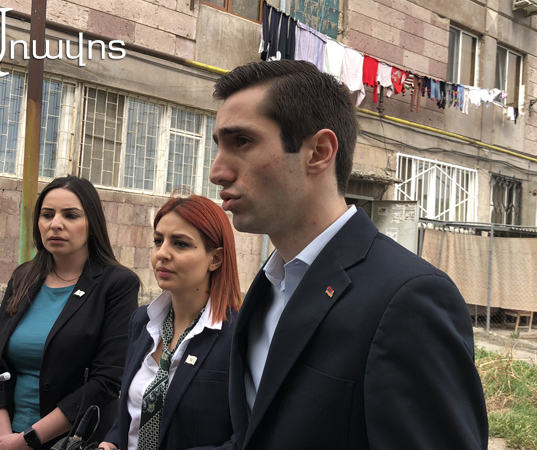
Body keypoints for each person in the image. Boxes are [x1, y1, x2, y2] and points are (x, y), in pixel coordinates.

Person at [209, 60, 489, 450]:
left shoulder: (408, 299)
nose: (217, 172)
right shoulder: (269, 287)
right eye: (218, 146)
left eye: (241, 142)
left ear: (318, 152)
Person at [0, 175, 140, 450]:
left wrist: (26, 440)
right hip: (4, 439)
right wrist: (2, 438)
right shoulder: (23, 277)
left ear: (92, 223)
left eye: (70, 215)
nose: (55, 224)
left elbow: (107, 380)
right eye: (47, 214)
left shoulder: (117, 285)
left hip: (73, 441)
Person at [98, 194, 242, 450]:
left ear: (215, 259)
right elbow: (134, 409)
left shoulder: (238, 334)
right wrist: (111, 442)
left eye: (180, 244)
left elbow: (246, 436)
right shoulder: (143, 321)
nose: (162, 253)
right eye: (158, 241)